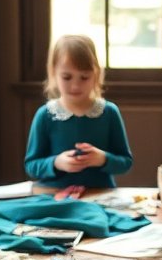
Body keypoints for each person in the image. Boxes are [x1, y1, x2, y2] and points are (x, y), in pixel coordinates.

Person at [24, 34, 134, 188]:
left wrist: (103, 159)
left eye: (84, 77)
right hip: (53, 197)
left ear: (96, 75)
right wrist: (57, 162)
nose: (75, 86)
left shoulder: (109, 112)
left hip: (100, 196)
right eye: (67, 77)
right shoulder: (45, 115)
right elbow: (31, 165)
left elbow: (125, 163)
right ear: (53, 73)